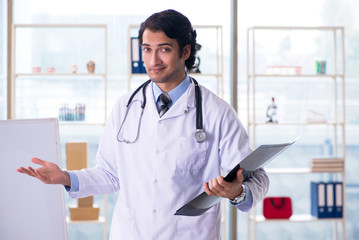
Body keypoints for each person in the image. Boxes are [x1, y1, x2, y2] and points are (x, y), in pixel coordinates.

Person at [17, 9, 269, 239]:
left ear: (185, 51)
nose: (153, 60)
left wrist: (236, 192)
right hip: (131, 232)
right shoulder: (125, 107)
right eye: (147, 49)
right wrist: (65, 177)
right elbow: (109, 174)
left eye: (164, 49)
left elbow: (256, 177)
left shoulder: (217, 112)